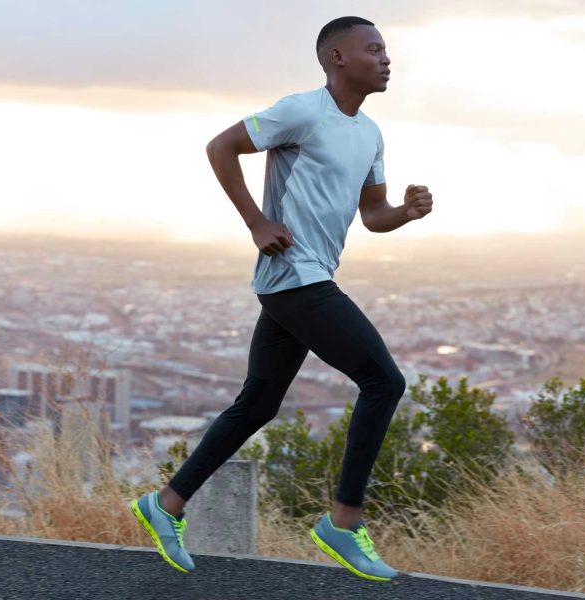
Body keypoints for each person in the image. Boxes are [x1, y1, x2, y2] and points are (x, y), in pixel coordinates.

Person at [128, 15, 433, 581]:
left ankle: (165, 504)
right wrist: (256, 221)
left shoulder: (369, 134)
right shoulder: (302, 111)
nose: (386, 59)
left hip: (298, 281)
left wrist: (406, 214)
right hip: (296, 274)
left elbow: (373, 216)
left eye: (386, 50)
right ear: (337, 58)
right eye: (373, 49)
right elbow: (221, 147)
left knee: (258, 404)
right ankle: (343, 522)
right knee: (384, 381)